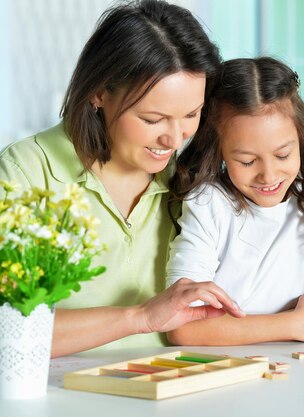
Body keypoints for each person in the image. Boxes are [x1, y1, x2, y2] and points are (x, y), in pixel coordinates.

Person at [0, 0, 246, 358]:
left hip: (176, 389)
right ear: (99, 92)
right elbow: (8, 328)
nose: (175, 139)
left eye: (191, 114)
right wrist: (141, 317)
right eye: (152, 119)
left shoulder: (191, 177)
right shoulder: (24, 173)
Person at [165, 57, 304, 345]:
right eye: (247, 161)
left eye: (282, 155)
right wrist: (291, 325)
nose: (268, 175)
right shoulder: (207, 204)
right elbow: (182, 326)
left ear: (302, 140)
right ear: (219, 150)